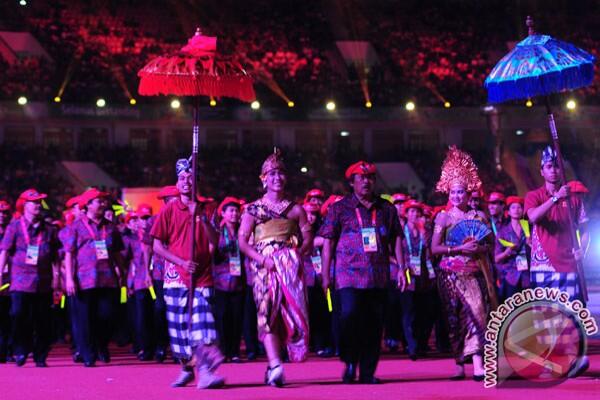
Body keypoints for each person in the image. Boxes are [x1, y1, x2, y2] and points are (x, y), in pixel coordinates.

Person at [319, 161, 406, 384]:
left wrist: (402, 268)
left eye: (370, 178)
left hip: (378, 275)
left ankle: (367, 371)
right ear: (352, 182)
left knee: (374, 324)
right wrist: (326, 275)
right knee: (349, 317)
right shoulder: (339, 208)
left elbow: (396, 237)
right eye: (361, 178)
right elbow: (328, 242)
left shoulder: (386, 208)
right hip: (348, 275)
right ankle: (349, 362)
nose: (366, 182)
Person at [238, 149, 312, 387]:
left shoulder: (296, 209)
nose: (277, 178)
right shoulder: (252, 209)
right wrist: (263, 260)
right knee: (267, 314)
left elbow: (308, 237)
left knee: (286, 317)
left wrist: (296, 255)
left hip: (291, 270)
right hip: (264, 268)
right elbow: (242, 242)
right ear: (264, 179)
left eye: (281, 173)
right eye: (272, 174)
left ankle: (273, 364)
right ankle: (276, 364)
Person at [150, 158, 224, 389]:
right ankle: (186, 368)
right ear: (177, 181)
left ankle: (205, 372)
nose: (186, 182)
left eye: (190, 178)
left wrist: (200, 216)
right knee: (180, 329)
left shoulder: (208, 209)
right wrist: (181, 261)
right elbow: (157, 246)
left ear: (196, 181)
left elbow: (216, 240)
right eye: (182, 178)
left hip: (202, 278)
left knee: (201, 326)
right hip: (175, 279)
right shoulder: (169, 209)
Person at [525, 145, 590, 377]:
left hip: (569, 263)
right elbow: (533, 217)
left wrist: (583, 248)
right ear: (542, 171)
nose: (553, 171)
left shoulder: (574, 199)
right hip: (543, 265)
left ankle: (576, 356)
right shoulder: (533, 195)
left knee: (571, 312)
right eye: (549, 167)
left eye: (556, 167)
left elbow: (585, 228)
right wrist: (555, 198)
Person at [430, 146, 492, 381]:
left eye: (462, 192)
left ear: (469, 194)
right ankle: (459, 363)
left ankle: (478, 363)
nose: (457, 196)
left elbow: (490, 246)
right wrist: (458, 249)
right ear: (449, 193)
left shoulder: (479, 217)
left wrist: (479, 249)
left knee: (477, 314)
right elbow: (434, 249)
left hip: (474, 274)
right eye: (454, 192)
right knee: (455, 320)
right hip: (450, 277)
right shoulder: (442, 217)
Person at [63, 188, 126, 367]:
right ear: (88, 205)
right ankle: (88, 353)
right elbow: (69, 254)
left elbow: (117, 253)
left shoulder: (110, 227)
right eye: (99, 201)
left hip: (108, 279)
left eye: (104, 201)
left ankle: (101, 345)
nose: (103, 204)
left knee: (107, 315)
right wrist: (69, 278)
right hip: (84, 280)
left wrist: (122, 271)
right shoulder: (75, 227)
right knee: (85, 319)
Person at [0, 190, 61, 367]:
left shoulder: (50, 229)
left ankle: (40, 354)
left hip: (43, 281)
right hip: (20, 281)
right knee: (19, 315)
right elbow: (4, 251)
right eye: (34, 202)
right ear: (24, 205)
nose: (37, 206)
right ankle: (20, 350)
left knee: (43, 319)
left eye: (39, 203)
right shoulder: (14, 227)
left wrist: (57, 275)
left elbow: (56, 254)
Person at [142, 186, 179, 363]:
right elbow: (147, 247)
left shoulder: (184, 218)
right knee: (160, 308)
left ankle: (178, 347)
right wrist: (146, 272)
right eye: (174, 199)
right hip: (159, 271)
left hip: (180, 270)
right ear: (165, 202)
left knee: (178, 309)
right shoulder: (154, 220)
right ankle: (160, 345)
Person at [402, 199, 437, 357]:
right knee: (409, 311)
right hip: (407, 274)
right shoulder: (401, 230)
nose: (415, 214)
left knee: (424, 311)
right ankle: (411, 345)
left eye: (417, 212)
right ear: (406, 214)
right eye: (411, 211)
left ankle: (421, 343)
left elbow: (431, 252)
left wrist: (425, 237)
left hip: (424, 275)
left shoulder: (425, 230)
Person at [212, 196, 245, 363]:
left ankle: (235, 351)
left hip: (239, 282)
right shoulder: (217, 232)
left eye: (236, 210)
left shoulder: (243, 230)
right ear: (223, 213)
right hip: (220, 282)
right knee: (222, 317)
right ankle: (223, 350)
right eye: (231, 210)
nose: (235, 213)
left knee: (237, 316)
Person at [303, 201, 333, 358]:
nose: (310, 217)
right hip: (304, 277)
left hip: (322, 276)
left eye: (314, 214)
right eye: (308, 214)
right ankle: (307, 344)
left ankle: (321, 344)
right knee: (305, 312)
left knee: (323, 311)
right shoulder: (297, 230)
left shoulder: (323, 229)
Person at [494, 196, 530, 302]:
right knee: (513, 309)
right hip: (511, 277)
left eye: (519, 207)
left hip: (527, 275)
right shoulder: (503, 232)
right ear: (508, 212)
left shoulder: (528, 228)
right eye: (513, 208)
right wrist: (506, 252)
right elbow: (496, 258)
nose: (516, 210)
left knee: (528, 307)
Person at [0, 200, 12, 363]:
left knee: (9, 315)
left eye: (4, 213)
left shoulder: (13, 231)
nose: (1, 216)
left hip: (10, 279)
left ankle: (6, 351)